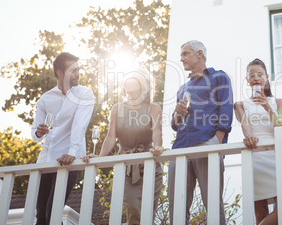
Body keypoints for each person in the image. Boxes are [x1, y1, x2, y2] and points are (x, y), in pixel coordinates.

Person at [83, 71, 164, 225]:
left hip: (150, 168)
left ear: (142, 88)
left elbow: (157, 132)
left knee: (147, 217)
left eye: (133, 88)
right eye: (127, 88)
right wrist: (101, 157)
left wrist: (158, 147)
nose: (130, 92)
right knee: (133, 210)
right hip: (127, 168)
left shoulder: (153, 108)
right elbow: (111, 136)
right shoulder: (117, 108)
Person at [167, 40, 233, 225]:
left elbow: (226, 111)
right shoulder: (183, 88)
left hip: (206, 144)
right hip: (180, 148)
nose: (181, 58)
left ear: (199, 54)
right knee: (176, 208)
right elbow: (174, 124)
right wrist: (177, 114)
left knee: (212, 205)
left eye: (185, 53)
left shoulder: (219, 77)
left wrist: (216, 143)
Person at [31, 52, 94, 225]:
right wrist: (39, 132)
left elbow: (79, 126)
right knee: (41, 217)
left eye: (78, 70)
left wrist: (72, 153)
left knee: (53, 213)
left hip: (68, 161)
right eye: (73, 70)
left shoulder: (85, 94)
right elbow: (35, 131)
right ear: (59, 73)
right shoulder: (46, 98)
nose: (78, 74)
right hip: (46, 160)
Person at [234, 58, 282, 225]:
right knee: (260, 211)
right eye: (251, 75)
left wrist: (267, 107)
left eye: (260, 74)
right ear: (247, 80)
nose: (256, 78)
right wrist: (249, 137)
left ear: (267, 77)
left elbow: (281, 127)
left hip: (276, 155)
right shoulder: (240, 104)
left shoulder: (278, 102)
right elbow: (246, 127)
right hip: (255, 155)